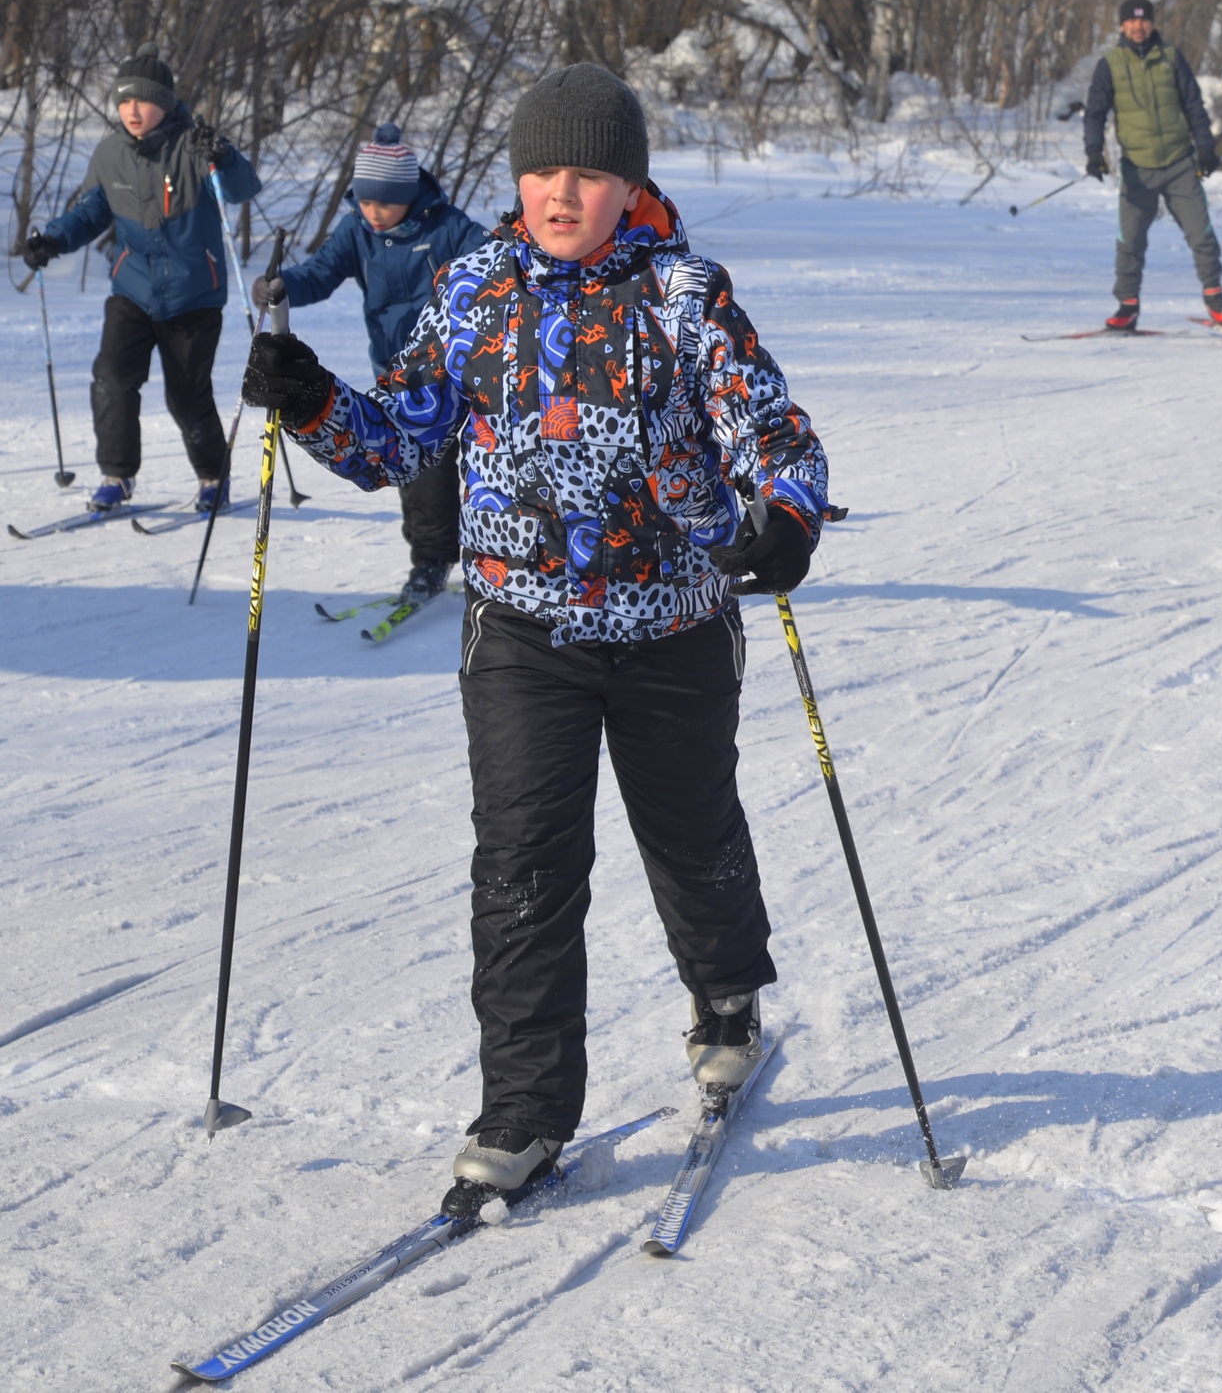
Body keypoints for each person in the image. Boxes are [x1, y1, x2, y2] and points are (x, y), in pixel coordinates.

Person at [238, 64, 828, 1216]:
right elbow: (392, 443)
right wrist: (309, 397)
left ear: (629, 183)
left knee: (689, 832)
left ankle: (723, 998)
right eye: (545, 170)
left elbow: (771, 427)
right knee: (521, 870)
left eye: (592, 172)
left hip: (671, 623)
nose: (565, 193)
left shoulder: (683, 295)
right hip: (522, 632)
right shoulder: (471, 294)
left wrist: (788, 513)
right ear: (517, 179)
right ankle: (521, 1113)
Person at [251, 125, 489, 604]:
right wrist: (283, 285)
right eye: (364, 201)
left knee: (480, 463)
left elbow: (493, 262)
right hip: (398, 370)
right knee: (419, 468)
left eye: (385, 203)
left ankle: (489, 549)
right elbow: (320, 273)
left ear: (409, 194)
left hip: (455, 368)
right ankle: (432, 559)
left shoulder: (445, 227)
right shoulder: (356, 230)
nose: (373, 212)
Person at [17, 53, 262, 514]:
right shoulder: (110, 153)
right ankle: (117, 476)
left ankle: (214, 478)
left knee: (187, 397)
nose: (132, 111)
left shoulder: (196, 146)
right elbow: (91, 212)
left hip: (194, 295)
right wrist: (53, 239)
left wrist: (224, 156)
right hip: (132, 291)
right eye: (124, 101)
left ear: (166, 104)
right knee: (111, 380)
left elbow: (242, 188)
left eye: (143, 102)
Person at [1082, 0, 1222, 332]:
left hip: (1179, 164)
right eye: (1132, 21)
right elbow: (1094, 113)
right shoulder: (1110, 64)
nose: (1138, 26)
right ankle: (1127, 306)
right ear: (1122, 25)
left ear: (1152, 23)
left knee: (1201, 234)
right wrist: (1094, 152)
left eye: (1144, 20)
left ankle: (1215, 298)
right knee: (1130, 241)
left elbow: (1194, 106)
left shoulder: (1171, 57)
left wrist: (1205, 149)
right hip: (1137, 169)